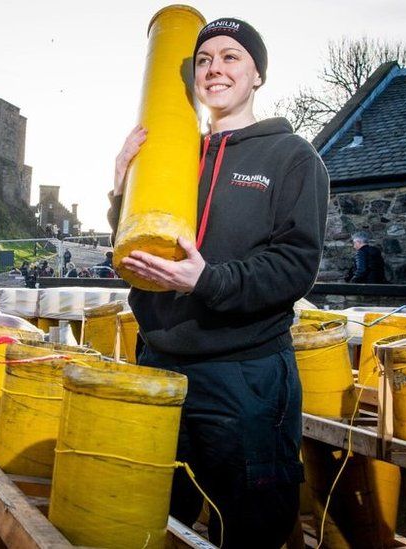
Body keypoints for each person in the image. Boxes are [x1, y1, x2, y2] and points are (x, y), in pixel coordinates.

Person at [108, 18, 328, 548]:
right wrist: (119, 191)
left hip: (244, 375)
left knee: (254, 526)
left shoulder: (292, 157)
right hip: (160, 362)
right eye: (204, 60)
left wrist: (208, 279)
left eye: (231, 57)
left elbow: (295, 266)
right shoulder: (176, 155)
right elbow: (139, 243)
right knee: (159, 522)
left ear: (257, 74)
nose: (215, 68)